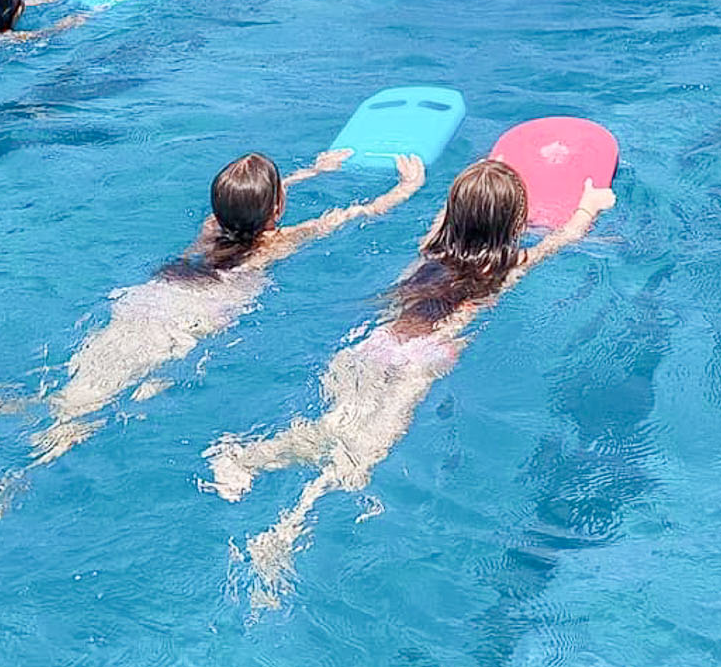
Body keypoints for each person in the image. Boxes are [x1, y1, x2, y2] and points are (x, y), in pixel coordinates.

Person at [0, 148, 429, 547]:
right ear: (278, 209)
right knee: (85, 418)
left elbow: (246, 210)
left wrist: (307, 173)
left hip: (149, 299)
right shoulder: (278, 243)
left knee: (76, 393)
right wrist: (408, 188)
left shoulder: (212, 228)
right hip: (189, 319)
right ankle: (5, 491)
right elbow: (356, 215)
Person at [205, 157, 615, 608]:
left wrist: (466, 178)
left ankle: (247, 458)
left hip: (369, 346)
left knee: (332, 426)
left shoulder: (430, 251)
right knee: (357, 460)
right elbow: (564, 239)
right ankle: (285, 532)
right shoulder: (509, 267)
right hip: (418, 362)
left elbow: (450, 217)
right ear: (514, 226)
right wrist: (589, 206)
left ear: (452, 215)